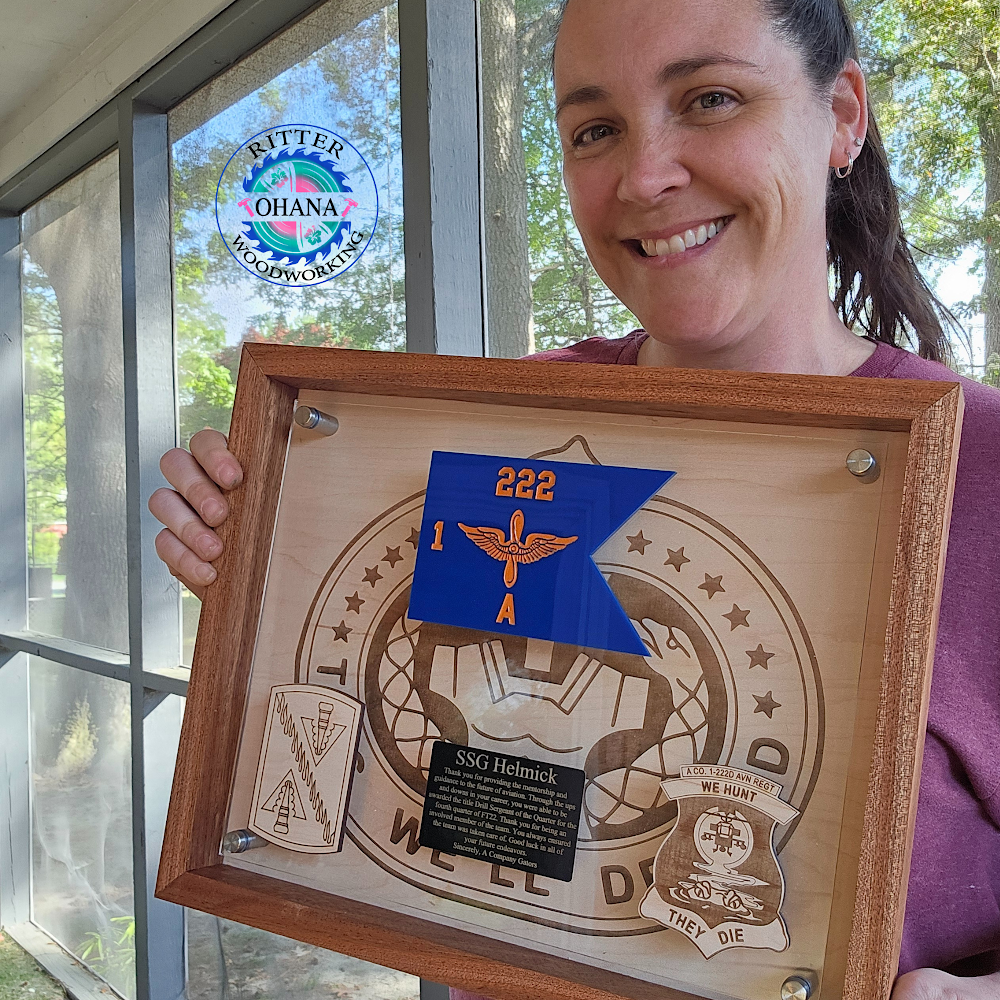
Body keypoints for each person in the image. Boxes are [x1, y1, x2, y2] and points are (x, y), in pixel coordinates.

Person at [149, 0, 1000, 995]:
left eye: (711, 98)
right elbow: (463, 775)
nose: (645, 176)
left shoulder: (980, 467)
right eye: (596, 128)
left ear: (843, 113)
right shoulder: (507, 429)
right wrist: (266, 595)